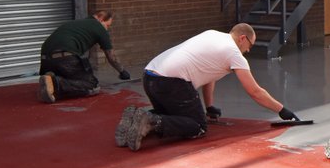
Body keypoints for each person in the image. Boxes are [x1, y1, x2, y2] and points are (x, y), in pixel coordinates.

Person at [115, 23, 298, 151]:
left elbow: (210, 76)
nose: (248, 50)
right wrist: (282, 110)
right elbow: (255, 92)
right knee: (197, 126)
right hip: (171, 82)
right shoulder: (234, 53)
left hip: (150, 76)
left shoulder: (212, 34)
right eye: (250, 45)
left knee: (174, 116)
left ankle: (136, 118)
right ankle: (150, 120)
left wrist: (209, 106)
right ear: (243, 38)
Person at [38, 10, 130, 103]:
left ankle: (51, 77)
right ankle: (55, 83)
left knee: (74, 74)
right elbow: (111, 57)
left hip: (45, 59)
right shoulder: (99, 28)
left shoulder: (78, 23)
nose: (107, 29)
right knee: (91, 85)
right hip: (64, 58)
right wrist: (122, 71)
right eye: (107, 25)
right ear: (101, 18)